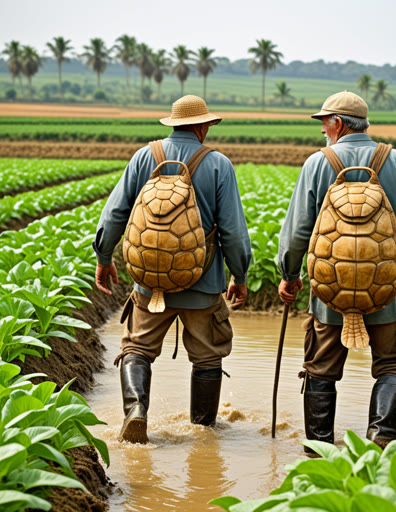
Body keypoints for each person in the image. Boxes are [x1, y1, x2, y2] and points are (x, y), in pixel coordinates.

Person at [278, 91, 396, 451]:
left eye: (325, 122)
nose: (323, 129)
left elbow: (297, 232)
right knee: (395, 363)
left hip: (330, 294)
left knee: (321, 368)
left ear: (339, 124)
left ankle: (319, 449)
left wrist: (289, 275)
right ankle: (380, 438)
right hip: (385, 291)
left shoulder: (317, 163)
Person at [93, 95, 252, 443]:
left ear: (173, 123)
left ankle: (136, 412)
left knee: (136, 348)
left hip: (150, 285)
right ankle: (203, 432)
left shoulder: (143, 158)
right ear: (203, 125)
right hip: (203, 284)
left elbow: (115, 214)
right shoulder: (218, 164)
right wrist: (239, 276)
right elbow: (234, 232)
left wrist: (104, 257)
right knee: (208, 356)